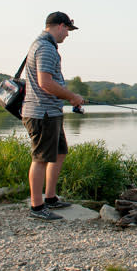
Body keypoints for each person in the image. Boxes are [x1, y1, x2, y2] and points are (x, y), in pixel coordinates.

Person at [22, 11, 84, 220]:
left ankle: (50, 198)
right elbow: (45, 83)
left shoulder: (43, 45)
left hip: (51, 112)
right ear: (60, 26)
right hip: (43, 113)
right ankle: (37, 207)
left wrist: (68, 98)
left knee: (59, 153)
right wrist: (72, 97)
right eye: (67, 30)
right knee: (40, 159)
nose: (67, 34)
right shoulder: (45, 48)